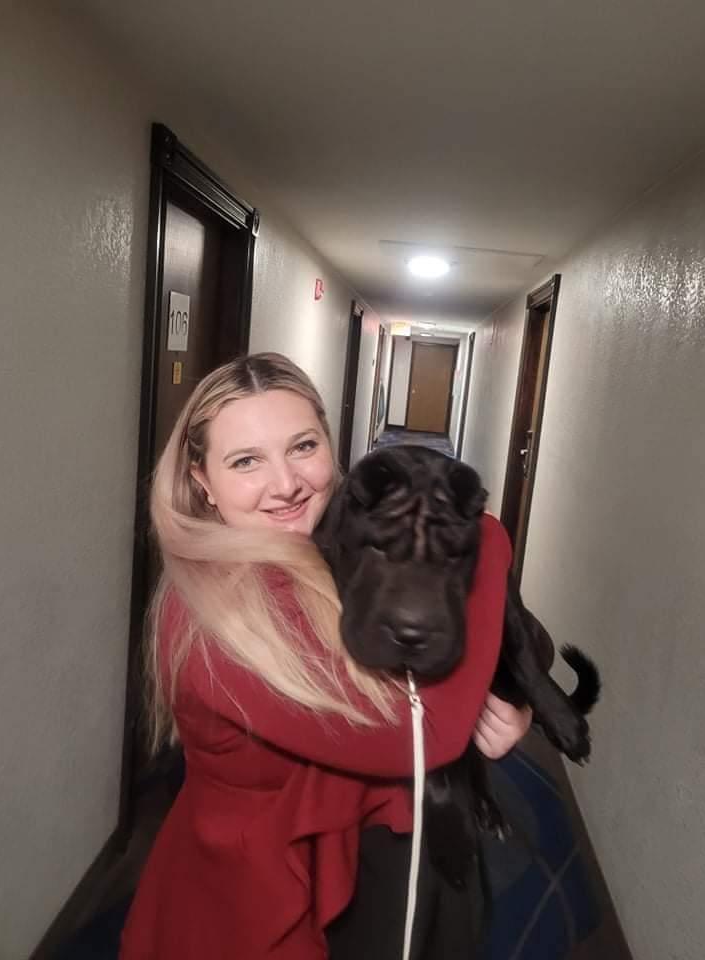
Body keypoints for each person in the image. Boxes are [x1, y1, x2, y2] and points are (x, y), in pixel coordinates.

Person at [120, 352, 531, 960]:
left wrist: (502, 704)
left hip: (348, 860)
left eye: (303, 447)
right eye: (246, 461)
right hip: (255, 894)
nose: (285, 484)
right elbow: (421, 736)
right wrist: (487, 539)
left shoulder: (322, 548)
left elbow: (407, 663)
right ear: (201, 479)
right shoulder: (213, 618)